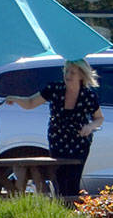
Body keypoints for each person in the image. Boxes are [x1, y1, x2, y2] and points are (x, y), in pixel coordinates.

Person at [5, 58, 102, 198]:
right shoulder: (54, 89)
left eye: (73, 73)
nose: (68, 75)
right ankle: (62, 209)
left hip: (79, 144)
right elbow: (31, 102)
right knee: (59, 179)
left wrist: (90, 126)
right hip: (58, 141)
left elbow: (99, 118)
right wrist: (16, 99)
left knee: (73, 180)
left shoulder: (88, 95)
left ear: (81, 75)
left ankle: (71, 210)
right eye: (66, 71)